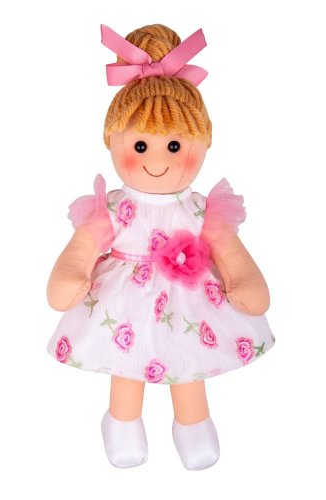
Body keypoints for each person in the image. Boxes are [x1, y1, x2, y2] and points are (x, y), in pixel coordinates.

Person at [46, 23, 275, 470]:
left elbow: (227, 248)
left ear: (201, 142)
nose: (157, 160)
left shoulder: (200, 208)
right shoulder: (114, 207)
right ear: (113, 141)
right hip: (124, 300)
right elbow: (85, 245)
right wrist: (71, 274)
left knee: (188, 358)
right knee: (125, 364)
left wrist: (244, 279)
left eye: (173, 145)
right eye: (140, 145)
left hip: (189, 299)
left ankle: (193, 424)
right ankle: (122, 422)